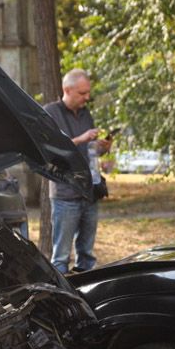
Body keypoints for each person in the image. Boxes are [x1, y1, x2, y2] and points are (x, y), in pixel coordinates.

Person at [43, 68, 111, 273]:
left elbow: (88, 151)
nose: (87, 97)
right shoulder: (49, 113)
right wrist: (82, 138)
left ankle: (86, 294)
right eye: (82, 93)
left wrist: (102, 148)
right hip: (65, 193)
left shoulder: (85, 114)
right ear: (67, 89)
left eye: (88, 93)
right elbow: (50, 150)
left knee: (87, 254)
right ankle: (62, 298)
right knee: (61, 257)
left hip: (89, 191)